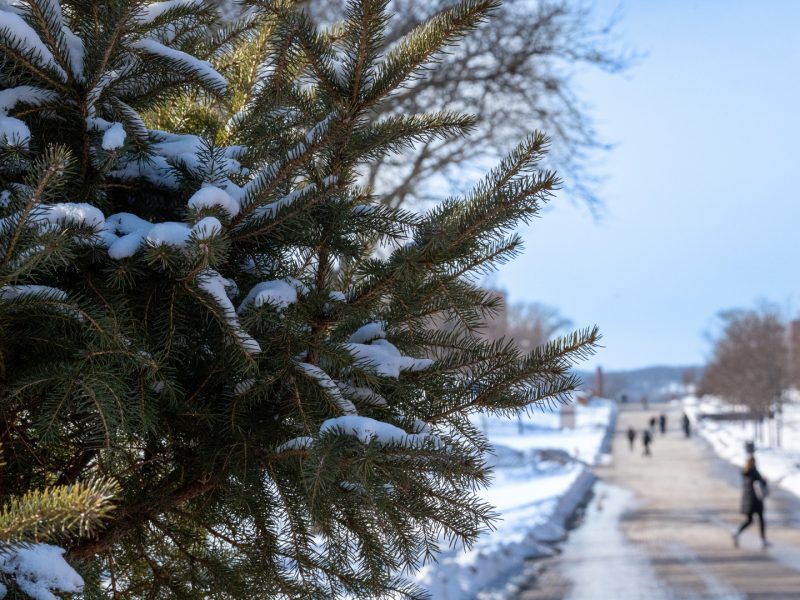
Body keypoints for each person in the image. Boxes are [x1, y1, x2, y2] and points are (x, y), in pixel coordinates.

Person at [732, 456, 769, 548]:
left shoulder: (745, 472)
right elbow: (760, 483)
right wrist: (764, 481)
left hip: (747, 500)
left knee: (749, 520)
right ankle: (762, 540)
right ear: (753, 462)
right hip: (756, 500)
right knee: (760, 519)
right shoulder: (754, 472)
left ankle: (737, 532)